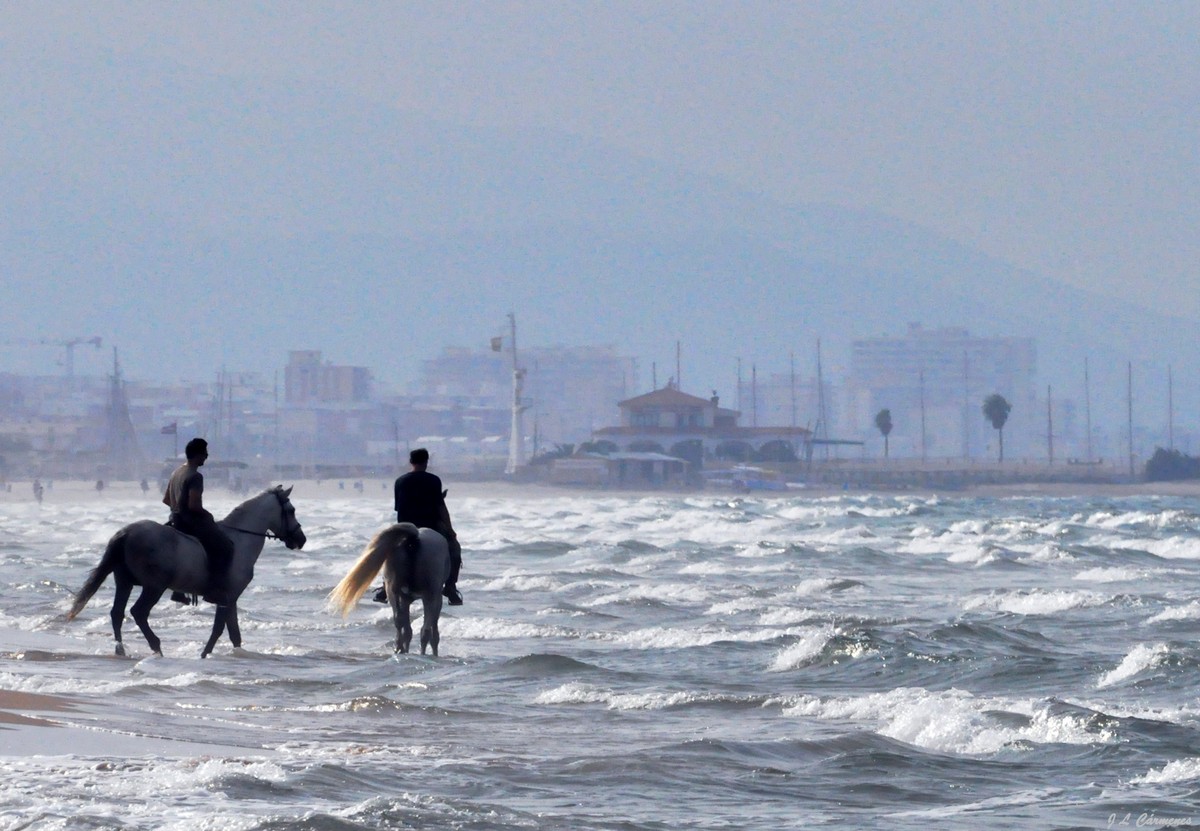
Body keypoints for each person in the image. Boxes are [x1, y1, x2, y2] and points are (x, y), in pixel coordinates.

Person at [374, 447, 463, 605]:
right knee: (455, 549)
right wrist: (450, 530)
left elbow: (399, 507)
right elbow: (440, 507)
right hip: (430, 525)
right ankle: (450, 587)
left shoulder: (400, 481)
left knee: (387, 551)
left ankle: (384, 587)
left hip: (404, 526)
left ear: (410, 462)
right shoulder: (433, 480)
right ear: (426, 462)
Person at [163, 437, 235, 605]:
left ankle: (178, 592)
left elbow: (166, 499)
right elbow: (194, 505)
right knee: (225, 547)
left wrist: (177, 509)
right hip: (188, 522)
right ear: (197, 455)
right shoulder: (195, 476)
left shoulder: (177, 472)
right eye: (204, 453)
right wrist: (207, 515)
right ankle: (213, 590)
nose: (206, 456)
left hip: (174, 519)